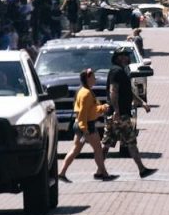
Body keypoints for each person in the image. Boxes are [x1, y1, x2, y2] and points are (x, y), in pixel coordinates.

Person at [102, 47, 156, 178]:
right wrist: (116, 111)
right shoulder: (116, 71)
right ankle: (142, 169)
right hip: (120, 115)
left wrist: (142, 103)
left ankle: (99, 170)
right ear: (119, 57)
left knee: (107, 143)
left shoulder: (122, 71)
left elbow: (128, 92)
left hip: (119, 113)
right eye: (125, 55)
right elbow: (113, 92)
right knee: (130, 141)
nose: (128, 57)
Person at [57, 68, 115, 182]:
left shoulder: (84, 91)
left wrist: (102, 108)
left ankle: (62, 173)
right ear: (88, 78)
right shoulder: (86, 93)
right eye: (93, 77)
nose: (95, 79)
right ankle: (103, 174)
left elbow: (90, 109)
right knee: (98, 150)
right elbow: (83, 112)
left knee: (76, 150)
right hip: (87, 126)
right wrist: (85, 129)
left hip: (80, 124)